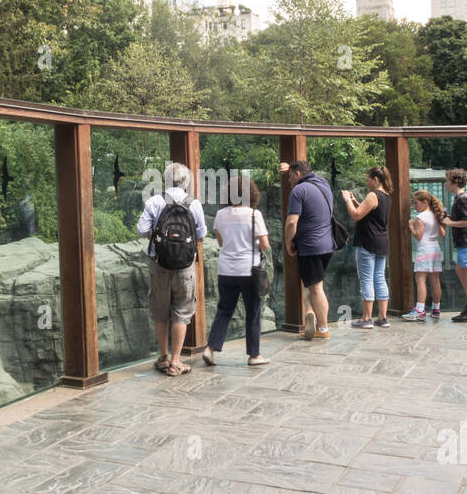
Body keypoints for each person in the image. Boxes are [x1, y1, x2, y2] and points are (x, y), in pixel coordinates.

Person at [137, 161, 207, 376]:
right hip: (185, 267)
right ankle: (176, 362)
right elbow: (201, 235)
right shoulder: (193, 204)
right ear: (185, 181)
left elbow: (141, 230)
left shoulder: (155, 201)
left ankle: (164, 356)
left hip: (159, 264)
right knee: (182, 311)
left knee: (160, 310)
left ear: (165, 180)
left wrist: (158, 238)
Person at [200, 174, 271, 366]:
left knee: (224, 310)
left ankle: (210, 349)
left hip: (226, 270)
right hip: (249, 270)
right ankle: (254, 355)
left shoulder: (221, 215)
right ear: (251, 194)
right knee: (253, 311)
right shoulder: (254, 215)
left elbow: (221, 242)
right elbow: (264, 244)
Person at [279, 159, 335, 340]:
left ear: (297, 175)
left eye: (290, 177)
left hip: (310, 246)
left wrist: (289, 243)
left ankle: (323, 329)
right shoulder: (323, 183)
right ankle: (311, 312)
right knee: (314, 284)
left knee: (316, 288)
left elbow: (291, 222)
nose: (289, 181)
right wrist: (288, 167)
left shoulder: (298, 190)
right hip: (328, 244)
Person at [341, 167, 392, 328]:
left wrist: (348, 200)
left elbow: (356, 215)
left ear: (376, 179)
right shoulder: (386, 195)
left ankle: (366, 318)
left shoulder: (373, 195)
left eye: (368, 179)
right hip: (382, 241)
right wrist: (357, 201)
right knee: (379, 278)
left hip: (368, 242)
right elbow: (371, 214)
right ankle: (382, 317)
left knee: (367, 280)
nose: (367, 182)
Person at [443, 168, 467, 322]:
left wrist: (450, 222)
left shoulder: (462, 199)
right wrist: (447, 217)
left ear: (455, 182)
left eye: (447, 181)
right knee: (461, 270)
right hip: (463, 241)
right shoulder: (458, 198)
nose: (446, 184)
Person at [402, 190, 446, 323]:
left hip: (424, 249)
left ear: (425, 202)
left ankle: (420, 310)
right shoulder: (435, 215)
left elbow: (418, 236)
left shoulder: (420, 217)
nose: (414, 206)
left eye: (416, 203)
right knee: (435, 280)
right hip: (435, 249)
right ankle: (436, 309)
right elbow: (442, 233)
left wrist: (411, 226)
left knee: (420, 279)